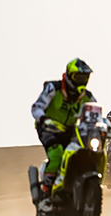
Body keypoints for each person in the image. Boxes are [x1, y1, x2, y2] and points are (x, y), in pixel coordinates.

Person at [31, 58, 95, 197]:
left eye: (85, 77)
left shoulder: (87, 97)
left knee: (81, 153)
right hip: (48, 128)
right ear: (70, 76)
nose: (82, 81)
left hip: (71, 130)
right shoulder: (54, 88)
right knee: (57, 154)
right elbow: (36, 107)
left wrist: (107, 126)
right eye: (79, 77)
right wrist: (44, 119)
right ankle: (46, 192)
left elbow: (96, 114)